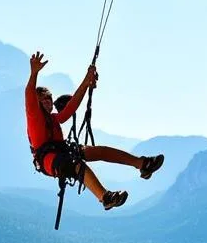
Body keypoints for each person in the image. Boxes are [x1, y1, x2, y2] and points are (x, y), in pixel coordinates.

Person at [25, 51, 163, 210]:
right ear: (37, 103)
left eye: (49, 98)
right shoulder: (34, 116)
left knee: (99, 151)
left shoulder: (54, 119)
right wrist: (34, 73)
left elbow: (71, 107)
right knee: (76, 165)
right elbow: (29, 95)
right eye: (43, 100)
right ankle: (105, 197)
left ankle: (142, 164)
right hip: (48, 159)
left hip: (60, 151)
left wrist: (86, 82)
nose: (48, 102)